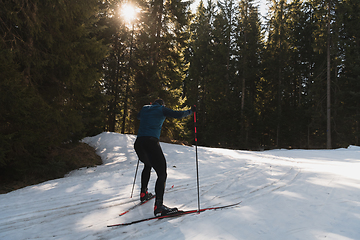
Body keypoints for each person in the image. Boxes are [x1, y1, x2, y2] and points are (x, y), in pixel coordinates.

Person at [134, 99, 195, 216]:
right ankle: (159, 206)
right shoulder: (162, 109)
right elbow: (178, 114)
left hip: (138, 143)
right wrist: (190, 111)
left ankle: (143, 193)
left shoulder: (145, 108)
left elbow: (138, 117)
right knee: (162, 174)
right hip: (151, 142)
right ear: (162, 104)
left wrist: (148, 108)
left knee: (147, 164)